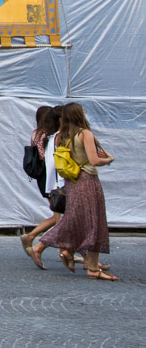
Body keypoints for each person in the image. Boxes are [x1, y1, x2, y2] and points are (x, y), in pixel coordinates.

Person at [38, 103, 119, 281]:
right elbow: (95, 160)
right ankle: (91, 267)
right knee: (94, 222)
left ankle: (70, 251)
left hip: (71, 182)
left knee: (77, 220)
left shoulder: (61, 137)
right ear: (80, 115)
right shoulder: (84, 134)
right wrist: (109, 160)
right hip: (88, 181)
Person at [20, 105, 61, 269]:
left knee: (58, 214)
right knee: (60, 216)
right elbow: (45, 157)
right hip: (49, 178)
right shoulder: (46, 135)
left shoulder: (35, 133)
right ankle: (37, 239)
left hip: (42, 178)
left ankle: (32, 237)